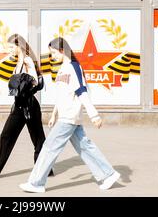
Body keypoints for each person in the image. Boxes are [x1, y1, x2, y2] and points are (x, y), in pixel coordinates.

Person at [19, 37, 120, 193]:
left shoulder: (74, 67)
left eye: (53, 52)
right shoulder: (62, 69)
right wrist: (54, 115)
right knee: (85, 147)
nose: (52, 56)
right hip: (65, 116)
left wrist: (94, 115)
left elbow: (81, 91)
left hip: (69, 117)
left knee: (49, 147)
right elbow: (62, 96)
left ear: (62, 50)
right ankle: (109, 175)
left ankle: (36, 183)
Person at [0, 34, 53, 178]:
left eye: (12, 47)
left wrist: (24, 82)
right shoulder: (19, 61)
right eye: (9, 48)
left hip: (27, 105)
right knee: (37, 139)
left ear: (20, 46)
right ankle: (46, 169)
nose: (10, 50)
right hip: (21, 104)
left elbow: (35, 82)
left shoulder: (27, 60)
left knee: (9, 136)